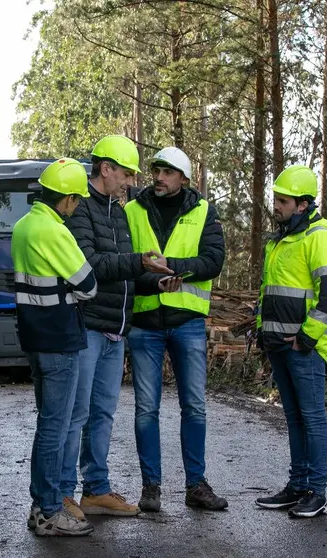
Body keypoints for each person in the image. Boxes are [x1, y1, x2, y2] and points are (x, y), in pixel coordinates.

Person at [62, 135, 175, 519]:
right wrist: (139, 263)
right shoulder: (79, 209)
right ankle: (62, 493)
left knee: (103, 414)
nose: (129, 181)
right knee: (76, 414)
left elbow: (124, 274)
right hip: (88, 327)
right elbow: (92, 265)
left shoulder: (120, 212)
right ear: (105, 168)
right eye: (125, 173)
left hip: (115, 329)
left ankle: (94, 490)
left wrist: (154, 280)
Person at [124, 146, 227, 512]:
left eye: (168, 173)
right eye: (157, 171)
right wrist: (154, 282)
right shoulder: (132, 211)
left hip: (187, 324)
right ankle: (150, 488)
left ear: (184, 178)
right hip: (145, 323)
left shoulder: (203, 211)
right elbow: (125, 266)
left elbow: (213, 260)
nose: (159, 178)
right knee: (145, 410)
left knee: (195, 407)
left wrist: (174, 268)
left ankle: (195, 485)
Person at [12, 158, 97, 537]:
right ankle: (48, 510)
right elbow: (88, 285)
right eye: (76, 200)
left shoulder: (23, 226)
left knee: (46, 423)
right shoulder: (55, 232)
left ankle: (39, 508)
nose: (76, 206)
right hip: (61, 341)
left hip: (34, 339)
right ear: (66, 199)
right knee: (56, 429)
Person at [254, 165, 327, 518]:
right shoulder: (281, 238)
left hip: (302, 348)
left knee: (312, 418)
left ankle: (316, 492)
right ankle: (297, 486)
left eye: (283, 200)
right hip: (278, 345)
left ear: (303, 204)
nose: (276, 205)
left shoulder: (320, 235)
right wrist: (262, 331)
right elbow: (268, 292)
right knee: (293, 418)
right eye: (275, 198)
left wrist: (306, 338)